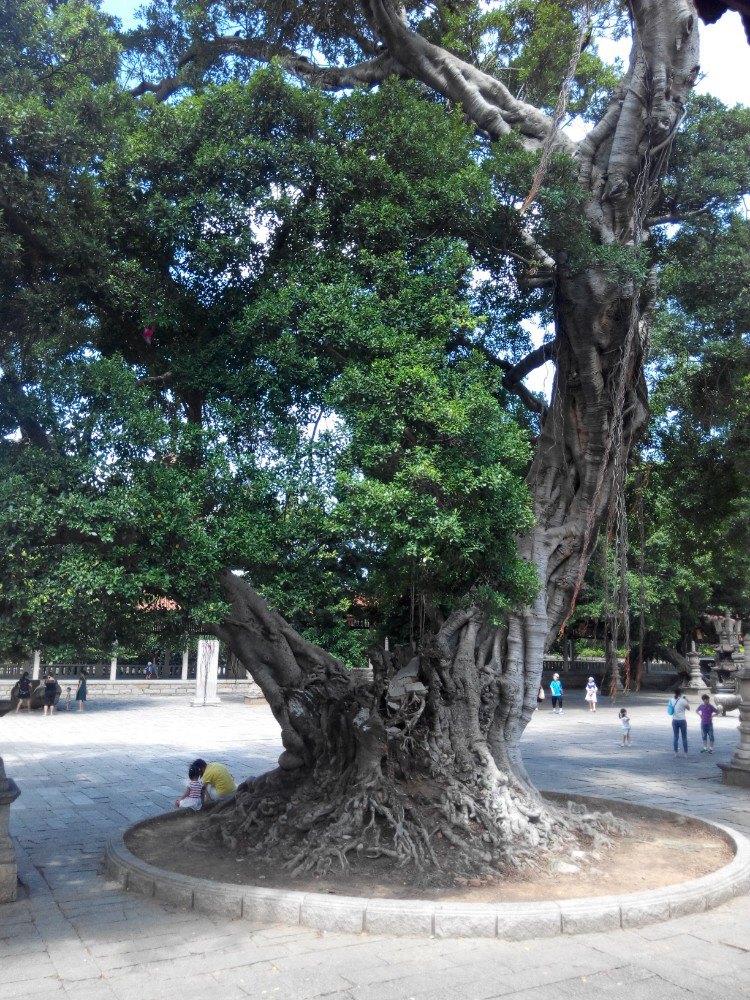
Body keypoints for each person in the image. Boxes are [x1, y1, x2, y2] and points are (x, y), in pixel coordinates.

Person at [669, 688, 690, 757]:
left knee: (675, 737)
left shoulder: (671, 700)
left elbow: (670, 708)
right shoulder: (683, 700)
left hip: (674, 720)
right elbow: (688, 708)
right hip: (682, 720)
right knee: (684, 737)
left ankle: (676, 753)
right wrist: (687, 700)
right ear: (680, 693)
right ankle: (686, 753)